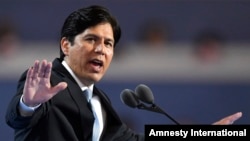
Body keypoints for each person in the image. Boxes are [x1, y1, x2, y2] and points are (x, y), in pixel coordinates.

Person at [5, 5, 242, 141]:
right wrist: (29, 104)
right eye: (91, 39)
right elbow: (18, 118)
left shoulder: (98, 100)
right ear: (66, 45)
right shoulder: (47, 83)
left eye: (108, 44)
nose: (101, 49)